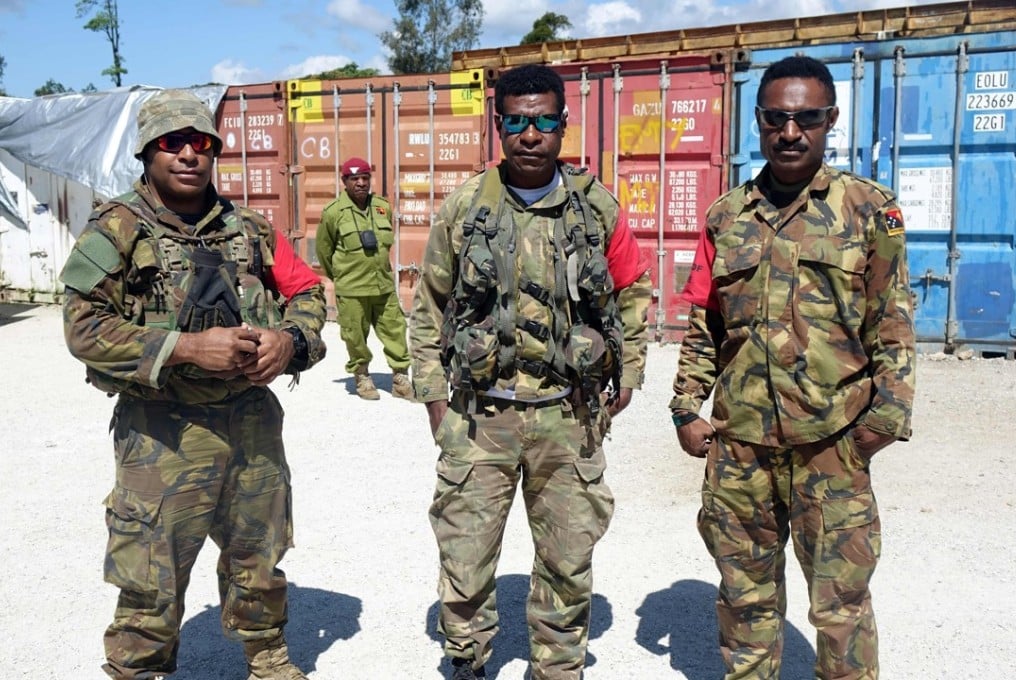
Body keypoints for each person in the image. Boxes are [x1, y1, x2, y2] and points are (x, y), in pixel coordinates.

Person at [60, 89, 328, 680]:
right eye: (171, 143)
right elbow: (82, 326)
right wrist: (184, 348)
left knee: (259, 557)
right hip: (164, 431)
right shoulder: (118, 229)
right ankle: (139, 669)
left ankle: (268, 657)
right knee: (150, 569)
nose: (188, 154)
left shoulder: (250, 228)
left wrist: (289, 343)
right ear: (147, 154)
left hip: (251, 422)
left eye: (200, 143)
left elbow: (306, 292)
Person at [670, 55, 916, 679]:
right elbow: (704, 322)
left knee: (841, 608)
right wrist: (684, 406)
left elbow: (890, 317)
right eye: (777, 118)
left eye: (806, 118)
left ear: (830, 119)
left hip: (830, 444)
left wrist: (885, 417)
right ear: (758, 121)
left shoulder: (868, 210)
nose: (790, 132)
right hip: (741, 448)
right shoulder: (726, 217)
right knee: (745, 599)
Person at [409, 64, 652, 680]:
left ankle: (557, 666)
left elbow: (634, 291)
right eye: (516, 121)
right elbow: (428, 305)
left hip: (567, 413)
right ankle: (467, 658)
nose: (530, 134)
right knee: (465, 554)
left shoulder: (596, 208)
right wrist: (435, 400)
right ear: (499, 125)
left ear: (563, 124)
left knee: (567, 558)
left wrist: (627, 373)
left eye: (544, 120)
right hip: (480, 413)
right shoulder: (465, 207)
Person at [315, 157, 412, 400]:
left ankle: (400, 377)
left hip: (382, 285)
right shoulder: (333, 213)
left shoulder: (381, 206)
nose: (360, 183)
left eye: (365, 178)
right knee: (355, 336)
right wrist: (342, 277)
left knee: (396, 330)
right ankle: (362, 376)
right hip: (352, 288)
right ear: (344, 181)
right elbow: (324, 251)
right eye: (354, 179)